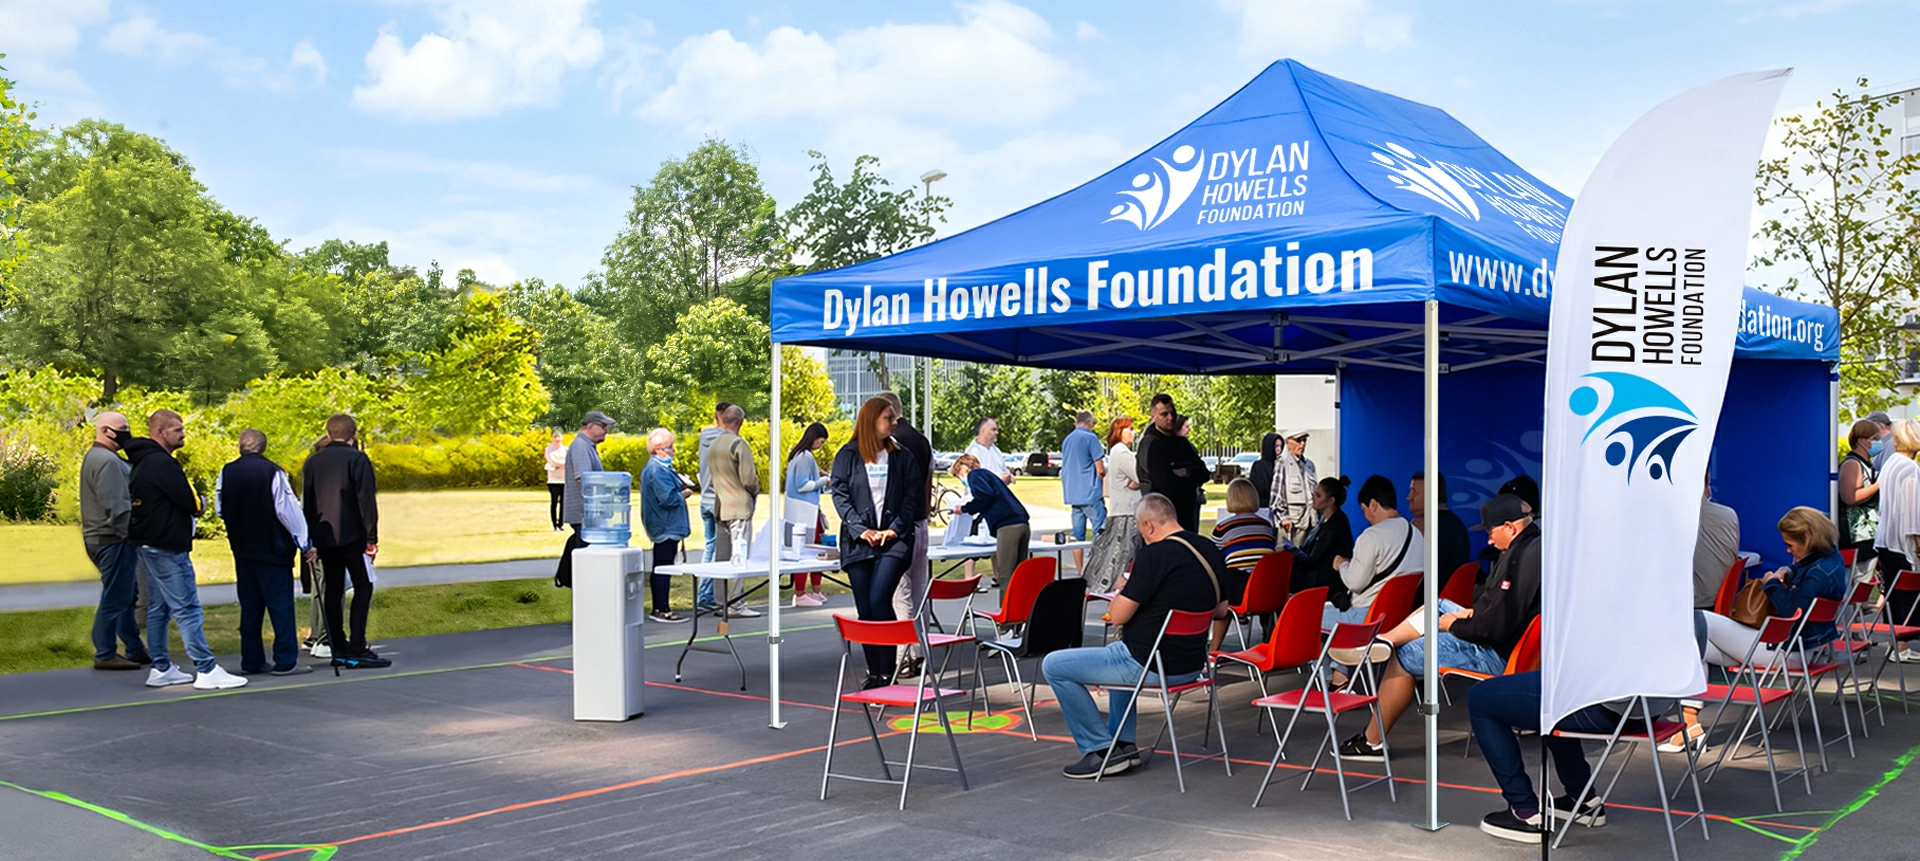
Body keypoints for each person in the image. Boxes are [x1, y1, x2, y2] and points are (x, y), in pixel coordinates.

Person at [1339, 494, 1541, 762]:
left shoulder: (1518, 561)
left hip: (1498, 653)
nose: (1489, 540)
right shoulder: (1530, 549)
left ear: (1510, 527)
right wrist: (1471, 614)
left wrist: (1456, 624)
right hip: (1508, 640)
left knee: (1404, 656)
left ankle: (1372, 741)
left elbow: (1493, 629)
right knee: (1437, 604)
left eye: (1491, 532)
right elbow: (1503, 614)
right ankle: (1384, 640)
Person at [1041, 493, 1228, 778]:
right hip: (1191, 665)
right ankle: (1123, 744)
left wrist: (1122, 588)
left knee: (1054, 665)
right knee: (1117, 664)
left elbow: (1117, 616)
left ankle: (1100, 749)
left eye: (1141, 531)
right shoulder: (1208, 549)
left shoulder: (1154, 555)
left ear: (1148, 525)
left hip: (1149, 662)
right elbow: (1220, 609)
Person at [128, 410, 247, 690]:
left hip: (149, 543)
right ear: (160, 432)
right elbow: (188, 500)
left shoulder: (142, 461)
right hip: (167, 546)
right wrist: (200, 507)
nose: (183, 434)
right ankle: (206, 668)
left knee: (160, 607)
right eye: (178, 430)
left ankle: (161, 667)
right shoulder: (162, 463)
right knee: (188, 608)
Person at [830, 397, 925, 689]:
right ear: (872, 421)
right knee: (865, 609)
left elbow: (912, 498)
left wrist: (895, 529)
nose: (895, 423)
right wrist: (861, 530)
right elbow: (840, 495)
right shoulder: (847, 455)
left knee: (879, 599)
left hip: (894, 542)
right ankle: (876, 673)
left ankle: (889, 671)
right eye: (889, 418)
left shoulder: (902, 455)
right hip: (859, 543)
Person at [1467, 670, 1621, 843]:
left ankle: (1524, 812)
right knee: (1553, 699)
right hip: (1641, 712)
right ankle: (1583, 799)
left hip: (1600, 703)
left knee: (1479, 697)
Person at [1698, 507, 1848, 674]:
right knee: (1696, 643)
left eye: (1790, 545)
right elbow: (1803, 572)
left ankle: (1691, 695)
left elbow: (1791, 611)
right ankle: (1692, 698)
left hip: (1785, 651)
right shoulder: (1830, 561)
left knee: (1698, 619)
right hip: (1801, 649)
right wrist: (1787, 570)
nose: (1788, 551)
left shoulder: (1817, 574)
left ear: (1808, 540)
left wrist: (1772, 583)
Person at [217, 430, 315, 677]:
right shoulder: (273, 472)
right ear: (263, 447)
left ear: (240, 446)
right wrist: (304, 542)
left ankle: (251, 659)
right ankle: (285, 660)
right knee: (280, 606)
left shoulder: (226, 472)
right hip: (272, 548)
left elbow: (220, 507)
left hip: (242, 548)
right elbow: (286, 510)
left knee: (250, 607)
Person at [305, 413, 389, 671]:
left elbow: (308, 501)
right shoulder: (358, 459)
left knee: (333, 589)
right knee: (363, 587)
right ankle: (357, 645)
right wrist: (371, 536)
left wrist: (310, 538)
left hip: (324, 536)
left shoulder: (313, 463)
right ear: (354, 435)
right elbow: (366, 500)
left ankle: (337, 644)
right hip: (352, 535)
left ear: (328, 434)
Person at [82, 411, 147, 671]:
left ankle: (134, 648)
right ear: (106, 431)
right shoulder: (107, 461)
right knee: (115, 598)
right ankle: (105, 652)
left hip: (102, 537)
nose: (126, 435)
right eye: (122, 429)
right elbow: (116, 504)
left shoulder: (97, 456)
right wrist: (129, 534)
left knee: (124, 595)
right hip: (112, 538)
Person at [878, 391, 933, 678]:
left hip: (900, 525)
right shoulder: (922, 441)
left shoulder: (892, 443)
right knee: (919, 588)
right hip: (921, 522)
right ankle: (921, 650)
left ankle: (904, 654)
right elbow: (929, 480)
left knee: (901, 593)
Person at [1325, 474, 1425, 629]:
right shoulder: (1416, 534)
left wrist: (1342, 564)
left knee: (1305, 615)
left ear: (1373, 504)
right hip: (1397, 617)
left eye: (1363, 510)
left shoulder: (1371, 536)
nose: (1365, 516)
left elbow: (1354, 583)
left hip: (1364, 617)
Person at [952, 453, 1032, 599]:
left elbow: (984, 497)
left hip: (1007, 525)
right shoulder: (989, 475)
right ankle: (1022, 613)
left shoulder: (974, 475)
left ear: (962, 468)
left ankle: (1007, 615)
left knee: (1006, 574)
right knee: (1019, 573)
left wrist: (965, 508)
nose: (961, 479)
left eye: (958, 475)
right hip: (1022, 522)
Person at [709, 405, 761, 618]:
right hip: (739, 506)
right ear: (740, 422)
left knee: (721, 557)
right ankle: (736, 603)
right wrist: (755, 489)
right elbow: (748, 478)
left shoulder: (713, 445)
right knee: (739, 555)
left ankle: (720, 601)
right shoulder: (738, 444)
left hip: (720, 504)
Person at [553, 411, 614, 591]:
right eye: (602, 427)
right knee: (587, 568)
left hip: (589, 514)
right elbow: (584, 480)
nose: (606, 431)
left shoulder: (587, 446)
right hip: (585, 514)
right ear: (589, 426)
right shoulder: (580, 446)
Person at [1210, 477, 1273, 648]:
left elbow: (1214, 558)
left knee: (1223, 586)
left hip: (1240, 591)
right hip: (1269, 591)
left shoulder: (1223, 528)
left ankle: (1214, 649)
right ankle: (1268, 637)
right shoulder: (1267, 526)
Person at [1878, 419, 1920, 662]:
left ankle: (1898, 645)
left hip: (1886, 538)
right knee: (1906, 596)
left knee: (1894, 595)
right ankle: (1901, 645)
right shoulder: (1910, 468)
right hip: (1903, 541)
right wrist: (1917, 541)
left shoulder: (1890, 463)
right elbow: (1913, 510)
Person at [638, 428, 690, 623]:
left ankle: (662, 606)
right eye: (670, 448)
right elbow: (666, 498)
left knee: (662, 566)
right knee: (663, 568)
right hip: (664, 525)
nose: (672, 452)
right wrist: (682, 495)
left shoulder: (660, 468)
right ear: (659, 449)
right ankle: (661, 608)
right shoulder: (657, 470)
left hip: (665, 525)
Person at [1136, 393, 1209, 532]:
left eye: (1172, 413)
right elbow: (1163, 483)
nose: (1170, 418)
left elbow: (1203, 473)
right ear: (1153, 417)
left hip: (1186, 516)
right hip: (1159, 518)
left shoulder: (1181, 443)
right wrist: (1186, 477)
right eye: (1164, 414)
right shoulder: (1150, 445)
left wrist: (1185, 473)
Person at [1084, 417, 1141, 594]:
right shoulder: (1121, 452)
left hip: (1123, 510)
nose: (1134, 433)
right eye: (1129, 429)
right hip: (1127, 511)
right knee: (1123, 556)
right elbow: (1142, 475)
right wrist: (1138, 481)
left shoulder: (1117, 452)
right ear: (1119, 431)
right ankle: (1117, 591)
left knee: (1119, 555)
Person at [784, 421, 831, 607]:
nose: (820, 446)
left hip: (802, 508)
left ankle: (812, 591)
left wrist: (818, 475)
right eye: (820, 442)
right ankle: (801, 592)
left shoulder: (799, 455)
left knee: (814, 548)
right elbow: (803, 485)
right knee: (807, 550)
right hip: (804, 510)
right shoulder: (804, 457)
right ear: (814, 438)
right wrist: (824, 481)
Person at [695, 402, 736, 612]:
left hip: (706, 497)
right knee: (719, 550)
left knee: (710, 546)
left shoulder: (705, 438)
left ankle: (706, 593)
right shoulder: (727, 441)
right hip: (720, 500)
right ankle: (708, 595)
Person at [1290, 476, 1355, 594]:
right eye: (1314, 494)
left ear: (1331, 500)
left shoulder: (1335, 525)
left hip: (1324, 580)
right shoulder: (1323, 520)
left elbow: (1313, 559)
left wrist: (1291, 549)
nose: (1313, 498)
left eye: (1318, 496)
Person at [1061, 410, 1108, 572]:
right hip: (1090, 491)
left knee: (1077, 535)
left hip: (1073, 493)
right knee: (1100, 531)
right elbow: (1100, 469)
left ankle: (1080, 570)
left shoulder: (1067, 440)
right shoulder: (1090, 438)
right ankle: (1096, 569)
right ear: (1090, 423)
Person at [1409, 471, 1470, 590]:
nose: (1409, 497)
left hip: (1429, 600)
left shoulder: (1426, 526)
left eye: (1414, 491)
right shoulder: (1456, 523)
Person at [1840, 418, 1882, 580]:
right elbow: (1850, 497)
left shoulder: (1866, 464)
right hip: (1856, 535)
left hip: (1868, 534)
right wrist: (1878, 485)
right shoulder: (1852, 464)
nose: (1879, 443)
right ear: (1864, 441)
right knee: (1855, 581)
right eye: (1876, 439)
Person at [1271, 430, 1317, 545]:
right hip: (1292, 524)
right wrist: (1283, 518)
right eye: (1298, 441)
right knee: (1288, 559)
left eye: (1304, 441)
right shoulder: (1282, 463)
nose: (1302, 444)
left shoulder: (1309, 464)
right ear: (1288, 442)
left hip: (1311, 522)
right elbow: (1275, 497)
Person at [964, 417, 1015, 484]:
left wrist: (1009, 476)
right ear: (983, 430)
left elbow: (1003, 470)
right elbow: (981, 476)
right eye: (993, 430)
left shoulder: (996, 451)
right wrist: (1000, 477)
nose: (997, 433)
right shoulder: (972, 452)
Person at [1247, 432, 1282, 510]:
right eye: (1276, 446)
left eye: (1280, 446)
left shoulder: (1281, 464)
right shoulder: (1259, 466)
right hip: (1263, 507)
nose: (1279, 449)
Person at [543, 429, 567, 532]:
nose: (557, 439)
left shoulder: (566, 449)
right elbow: (552, 460)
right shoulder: (549, 449)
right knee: (554, 502)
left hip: (564, 479)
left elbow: (568, 461)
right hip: (553, 480)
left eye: (559, 436)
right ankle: (554, 524)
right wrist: (562, 464)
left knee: (563, 503)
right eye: (555, 436)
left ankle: (561, 523)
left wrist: (561, 464)